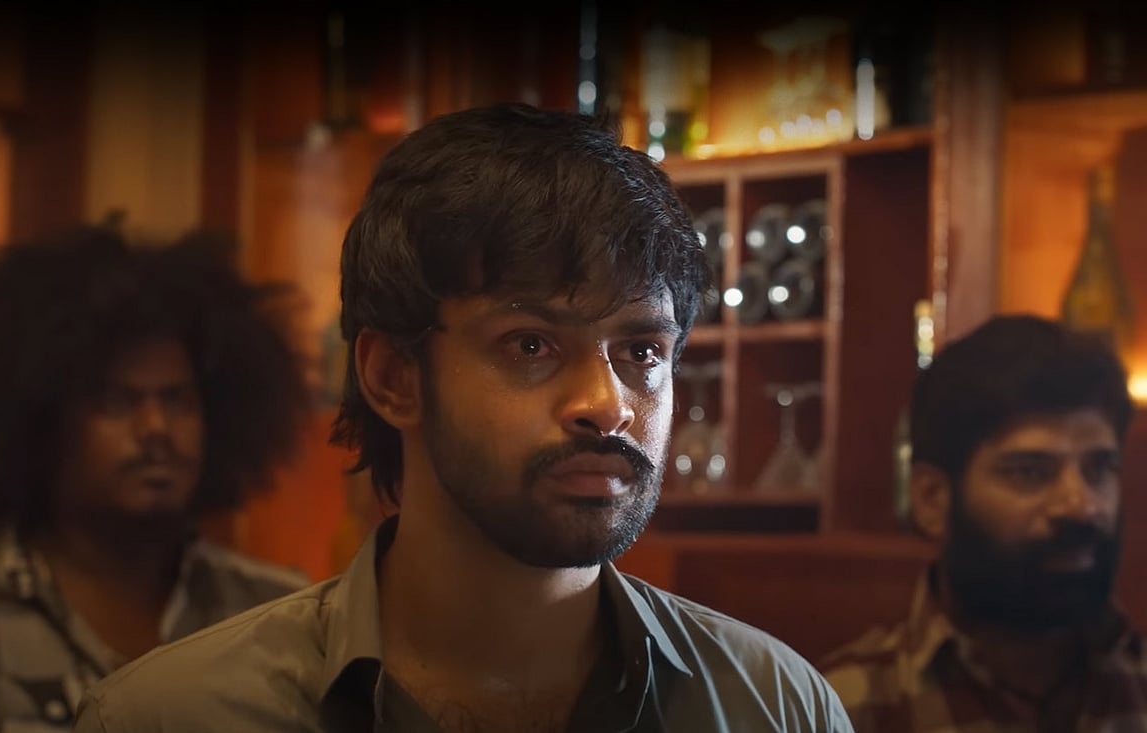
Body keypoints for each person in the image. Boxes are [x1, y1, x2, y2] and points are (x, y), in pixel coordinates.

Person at [71, 103, 852, 732]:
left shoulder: (776, 707)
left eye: (642, 351)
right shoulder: (171, 716)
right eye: (531, 344)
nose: (607, 403)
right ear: (392, 376)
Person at [0, 227, 315, 731]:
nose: (156, 428)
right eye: (118, 401)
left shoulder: (279, 613)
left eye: (177, 400)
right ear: (43, 422)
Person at [820, 315, 1143, 731]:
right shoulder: (839, 708)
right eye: (1030, 472)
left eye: (1098, 470)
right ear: (932, 500)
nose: (1080, 506)